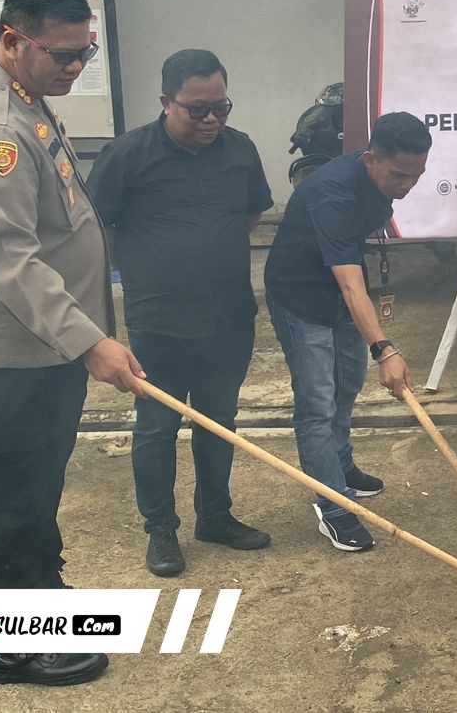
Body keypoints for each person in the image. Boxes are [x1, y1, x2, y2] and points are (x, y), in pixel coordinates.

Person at [0, 0, 141, 686]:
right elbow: (9, 260)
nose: (75, 68)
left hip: (43, 342)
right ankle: (16, 649)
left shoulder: (27, 97)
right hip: (14, 348)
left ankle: (40, 597)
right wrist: (90, 340)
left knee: (36, 486)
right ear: (11, 40)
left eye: (85, 53)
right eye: (62, 54)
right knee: (17, 497)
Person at [89, 49, 274, 577]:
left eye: (221, 107)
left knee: (219, 421)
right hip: (160, 319)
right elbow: (99, 227)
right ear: (166, 102)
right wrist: (147, 267)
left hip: (228, 314)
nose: (211, 119)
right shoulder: (128, 155)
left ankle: (215, 517)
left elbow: (251, 212)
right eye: (197, 109)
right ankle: (161, 530)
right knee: (158, 426)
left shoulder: (240, 150)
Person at [264, 111, 431, 551]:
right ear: (371, 158)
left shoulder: (379, 179)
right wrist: (385, 350)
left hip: (340, 294)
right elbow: (350, 283)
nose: (408, 186)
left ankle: (340, 465)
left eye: (417, 175)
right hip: (301, 297)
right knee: (317, 403)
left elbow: (351, 278)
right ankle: (334, 504)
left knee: (347, 386)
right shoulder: (333, 192)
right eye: (399, 176)